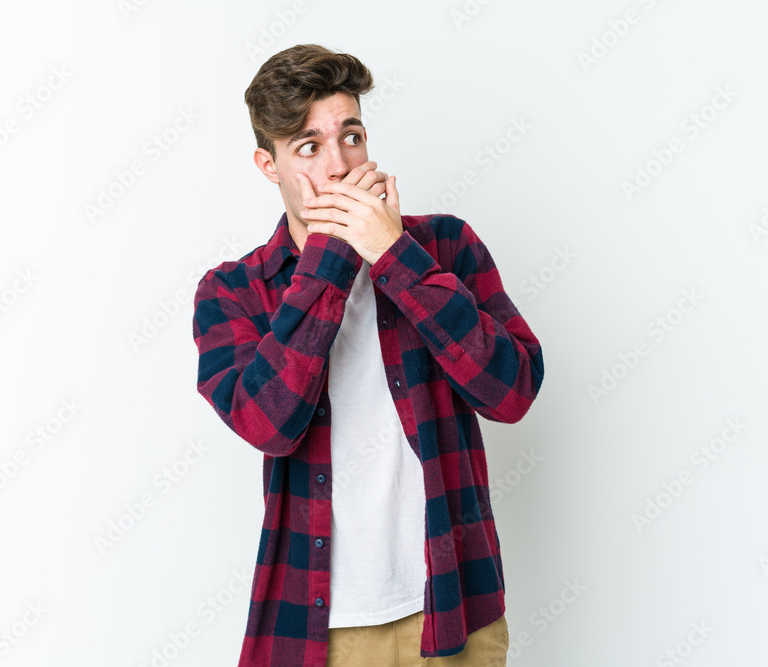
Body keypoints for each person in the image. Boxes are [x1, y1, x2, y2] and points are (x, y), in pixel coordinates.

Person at [191, 43, 544, 666]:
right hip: (316, 629)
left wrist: (395, 256)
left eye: (350, 135)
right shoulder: (231, 292)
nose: (340, 165)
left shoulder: (445, 246)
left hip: (453, 608)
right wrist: (333, 255)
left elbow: (511, 391)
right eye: (308, 146)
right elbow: (267, 423)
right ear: (267, 164)